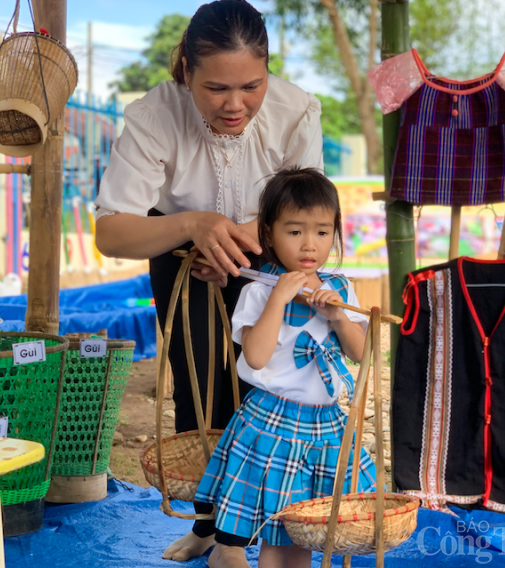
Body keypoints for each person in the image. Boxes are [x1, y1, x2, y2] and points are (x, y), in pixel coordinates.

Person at [94, 1, 323, 566]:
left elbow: (311, 212)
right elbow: (111, 231)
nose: (235, 104)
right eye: (216, 88)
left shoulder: (297, 112)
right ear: (186, 73)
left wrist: (246, 239)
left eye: (251, 85)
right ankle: (208, 524)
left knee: (262, 390)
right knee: (197, 386)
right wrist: (196, 227)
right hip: (180, 257)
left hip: (268, 260)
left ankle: (245, 538)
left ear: (268, 70)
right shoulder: (154, 116)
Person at [194, 168, 378, 568]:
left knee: (307, 530)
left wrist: (338, 317)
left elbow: (363, 354)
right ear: (268, 234)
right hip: (272, 422)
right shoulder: (259, 289)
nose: (309, 244)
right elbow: (255, 357)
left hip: (326, 426)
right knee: (278, 530)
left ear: (335, 234)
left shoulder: (340, 288)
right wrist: (279, 298)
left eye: (322, 232)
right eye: (294, 231)